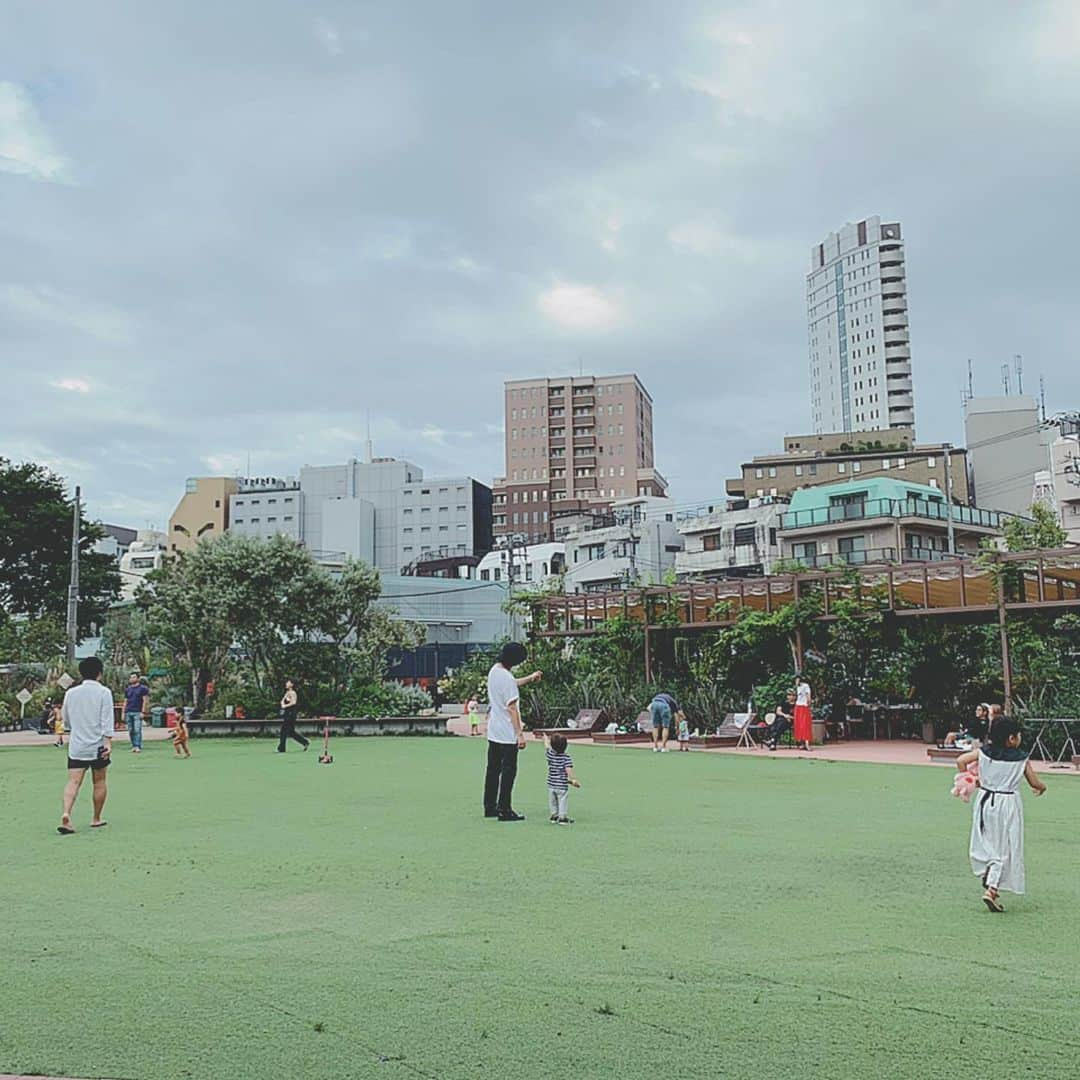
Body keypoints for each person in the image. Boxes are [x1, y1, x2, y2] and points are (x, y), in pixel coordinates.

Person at [957, 716, 1046, 912]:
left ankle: (989, 875)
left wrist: (972, 779)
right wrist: (1042, 788)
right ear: (1012, 738)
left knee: (986, 839)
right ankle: (992, 888)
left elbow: (961, 760)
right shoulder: (1021, 758)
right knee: (1006, 844)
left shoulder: (984, 753)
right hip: (1008, 803)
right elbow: (1034, 782)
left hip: (985, 801)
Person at [483, 642, 542, 822]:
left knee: (493, 770)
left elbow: (512, 683)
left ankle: (490, 806)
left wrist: (530, 678)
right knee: (509, 772)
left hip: (494, 731)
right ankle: (505, 809)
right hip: (507, 734)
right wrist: (520, 735)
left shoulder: (495, 671)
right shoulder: (507, 678)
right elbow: (512, 708)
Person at [57, 657, 115, 835]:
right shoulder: (104, 692)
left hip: (77, 745)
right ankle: (96, 818)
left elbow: (65, 720)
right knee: (99, 781)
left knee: (73, 782)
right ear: (100, 672)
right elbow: (107, 719)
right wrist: (107, 742)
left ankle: (66, 813)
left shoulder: (71, 693)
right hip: (98, 745)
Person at [545, 733, 581, 824]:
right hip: (561, 785)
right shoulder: (566, 758)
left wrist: (545, 738)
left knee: (553, 800)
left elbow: (546, 746)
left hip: (551, 783)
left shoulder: (550, 754)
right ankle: (562, 817)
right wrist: (573, 780)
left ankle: (554, 815)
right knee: (562, 800)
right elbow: (568, 769)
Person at [276, 679, 309, 753]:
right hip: (287, 713)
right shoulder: (287, 693)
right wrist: (282, 704)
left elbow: (293, 702)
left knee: (283, 731)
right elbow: (282, 701)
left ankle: (281, 748)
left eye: (288, 683)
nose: (286, 684)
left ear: (292, 684)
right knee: (291, 732)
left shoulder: (293, 693)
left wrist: (285, 705)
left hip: (291, 714)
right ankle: (305, 742)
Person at [123, 672, 150, 754]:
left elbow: (145, 701)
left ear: (138, 678)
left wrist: (143, 711)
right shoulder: (128, 689)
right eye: (131, 677)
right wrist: (123, 712)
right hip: (129, 711)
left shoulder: (143, 689)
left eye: (134, 677)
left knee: (137, 729)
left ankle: (137, 745)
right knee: (131, 730)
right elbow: (125, 701)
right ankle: (133, 745)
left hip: (138, 712)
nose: (132, 679)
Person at [793, 675, 813, 751]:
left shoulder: (806, 686)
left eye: (797, 680)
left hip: (804, 707)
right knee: (799, 725)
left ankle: (807, 743)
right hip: (798, 706)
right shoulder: (797, 688)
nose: (796, 682)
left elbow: (808, 696)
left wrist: (808, 703)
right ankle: (801, 742)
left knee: (805, 725)